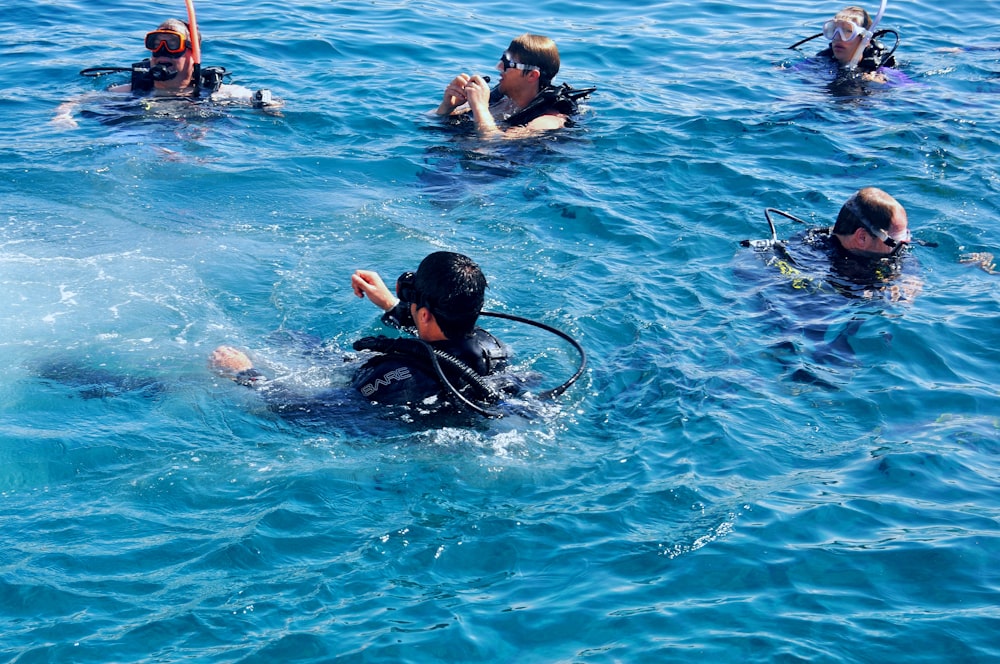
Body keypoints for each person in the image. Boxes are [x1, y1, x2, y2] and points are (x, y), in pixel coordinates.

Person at [211, 252, 513, 415]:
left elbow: (306, 412)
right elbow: (439, 337)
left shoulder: (393, 376)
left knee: (290, 345)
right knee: (294, 340)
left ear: (423, 314)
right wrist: (391, 305)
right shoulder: (492, 348)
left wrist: (246, 375)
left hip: (392, 416)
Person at [53, 18, 279, 128]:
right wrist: (62, 116)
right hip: (141, 138)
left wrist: (268, 107)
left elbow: (265, 100)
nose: (162, 53)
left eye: (173, 44)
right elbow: (79, 100)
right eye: (156, 44)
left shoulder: (217, 92)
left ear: (194, 54)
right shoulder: (131, 90)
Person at [434, 33, 594, 138]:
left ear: (532, 75)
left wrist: (480, 108)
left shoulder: (550, 120)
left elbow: (494, 144)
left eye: (507, 63)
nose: (499, 67)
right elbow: (426, 119)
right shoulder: (500, 102)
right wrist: (447, 106)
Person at [814, 6, 897, 80]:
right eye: (834, 30)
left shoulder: (878, 68)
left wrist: (881, 85)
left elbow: (906, 85)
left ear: (866, 40)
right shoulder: (824, 58)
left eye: (848, 31)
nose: (837, 37)